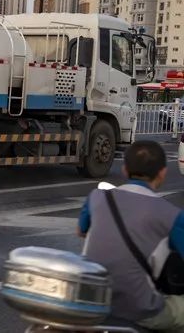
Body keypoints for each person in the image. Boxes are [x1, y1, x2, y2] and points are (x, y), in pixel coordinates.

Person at [78, 140, 184, 332]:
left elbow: (81, 231)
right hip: (140, 311)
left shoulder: (97, 197)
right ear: (162, 173)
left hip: (91, 303)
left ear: (125, 170)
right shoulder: (172, 216)